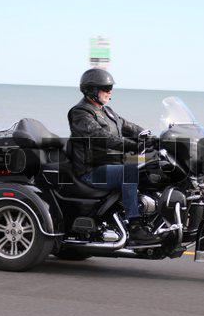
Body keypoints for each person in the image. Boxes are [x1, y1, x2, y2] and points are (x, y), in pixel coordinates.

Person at [68, 68, 158, 243]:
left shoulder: (107, 111)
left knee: (151, 166)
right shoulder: (80, 113)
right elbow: (101, 137)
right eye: (106, 88)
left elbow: (128, 126)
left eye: (110, 88)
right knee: (129, 172)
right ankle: (135, 226)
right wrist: (132, 144)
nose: (110, 91)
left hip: (112, 164)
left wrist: (151, 137)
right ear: (91, 90)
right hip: (92, 171)